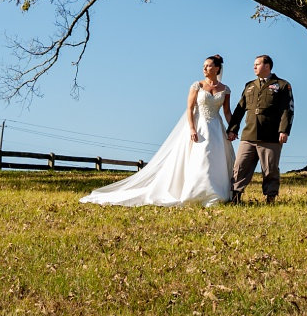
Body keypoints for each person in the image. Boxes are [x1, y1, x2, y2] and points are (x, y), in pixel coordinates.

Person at [79, 55, 236, 207]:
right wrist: (192, 128)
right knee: (201, 158)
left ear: (217, 68)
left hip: (216, 127)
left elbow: (227, 112)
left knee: (215, 159)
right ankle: (196, 193)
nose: (204, 68)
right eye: (203, 66)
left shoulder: (225, 89)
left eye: (208, 66)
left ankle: (215, 195)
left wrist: (232, 128)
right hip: (199, 126)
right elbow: (189, 108)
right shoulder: (197, 86)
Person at [227, 54, 292, 204]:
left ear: (267, 66)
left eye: (257, 64)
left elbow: (287, 110)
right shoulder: (249, 86)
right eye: (254, 64)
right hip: (249, 135)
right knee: (240, 167)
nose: (254, 67)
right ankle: (235, 197)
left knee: (270, 169)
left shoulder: (282, 85)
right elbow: (239, 109)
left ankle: (270, 198)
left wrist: (284, 130)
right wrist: (233, 129)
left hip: (270, 136)